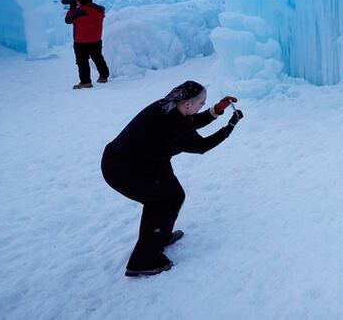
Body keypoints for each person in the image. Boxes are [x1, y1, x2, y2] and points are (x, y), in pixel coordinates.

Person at [100, 80, 244, 277]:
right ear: (187, 104)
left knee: (170, 194)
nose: (203, 104)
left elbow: (189, 122)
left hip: (137, 160)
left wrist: (216, 110)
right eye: (201, 102)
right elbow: (201, 146)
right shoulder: (173, 125)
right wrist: (230, 126)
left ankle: (158, 237)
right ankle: (142, 261)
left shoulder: (168, 105)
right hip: (124, 170)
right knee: (167, 200)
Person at [65, 0, 110, 90]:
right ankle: (104, 76)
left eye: (77, 1)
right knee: (98, 58)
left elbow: (68, 20)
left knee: (82, 62)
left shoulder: (80, 12)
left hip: (81, 42)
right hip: (96, 40)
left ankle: (85, 82)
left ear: (80, 1)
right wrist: (76, 5)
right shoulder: (99, 10)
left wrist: (72, 7)